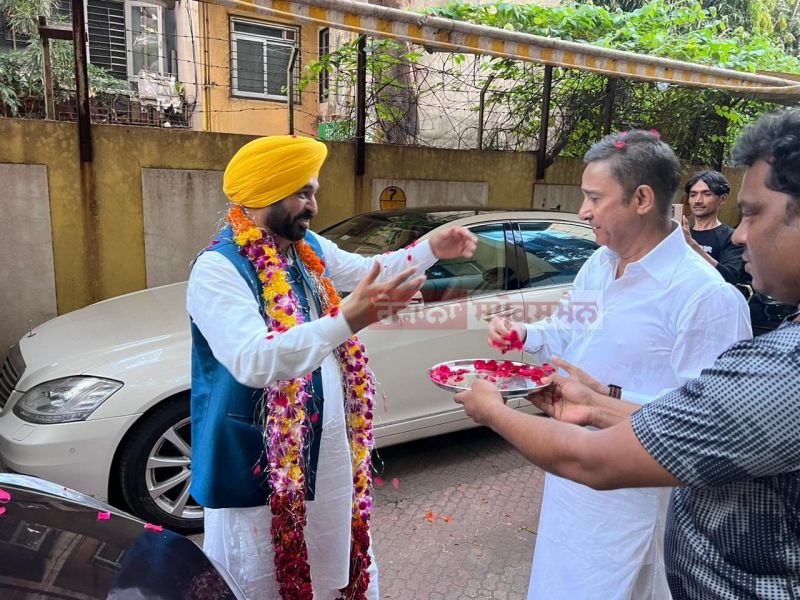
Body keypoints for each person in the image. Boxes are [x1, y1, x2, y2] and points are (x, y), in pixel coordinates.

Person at [455, 109, 800, 599]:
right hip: (571, 484)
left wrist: (581, 402)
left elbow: (699, 421)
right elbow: (568, 329)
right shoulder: (600, 264)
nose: (582, 211)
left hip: (635, 499)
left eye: (594, 198)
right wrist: (525, 337)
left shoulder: (705, 297)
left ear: (641, 198)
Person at [186, 135, 477, 599]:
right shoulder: (218, 270)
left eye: (313, 192)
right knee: (261, 573)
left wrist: (431, 248)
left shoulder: (307, 249)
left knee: (330, 555)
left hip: (325, 445)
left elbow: (370, 270)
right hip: (255, 454)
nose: (314, 206)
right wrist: (349, 318)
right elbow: (255, 359)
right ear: (264, 195)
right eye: (303, 193)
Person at [681, 170, 744, 284]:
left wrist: (692, 245)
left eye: (707, 194)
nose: (698, 200)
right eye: (693, 195)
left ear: (723, 199)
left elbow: (730, 278)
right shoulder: (681, 235)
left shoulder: (731, 237)